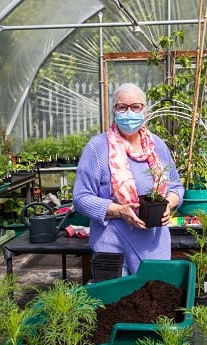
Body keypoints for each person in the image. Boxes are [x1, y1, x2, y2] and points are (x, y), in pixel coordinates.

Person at [73, 82, 184, 275]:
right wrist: (119, 210)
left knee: (153, 299)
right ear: (114, 111)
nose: (129, 112)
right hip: (111, 245)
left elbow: (176, 186)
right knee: (115, 301)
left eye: (135, 107)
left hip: (154, 246)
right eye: (122, 107)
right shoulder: (98, 148)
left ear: (145, 111)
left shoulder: (157, 145)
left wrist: (168, 204)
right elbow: (81, 198)